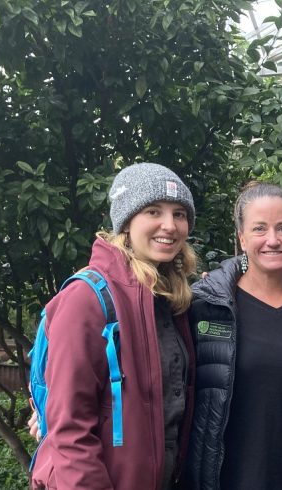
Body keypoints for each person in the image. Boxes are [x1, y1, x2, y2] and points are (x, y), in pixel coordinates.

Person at [30, 163, 197, 489]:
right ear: (126, 221)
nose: (170, 225)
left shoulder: (172, 300)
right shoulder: (87, 299)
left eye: (180, 213)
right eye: (153, 211)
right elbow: (70, 430)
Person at [184, 182, 282, 489]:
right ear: (241, 237)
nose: (272, 240)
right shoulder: (203, 306)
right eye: (259, 229)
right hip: (217, 481)